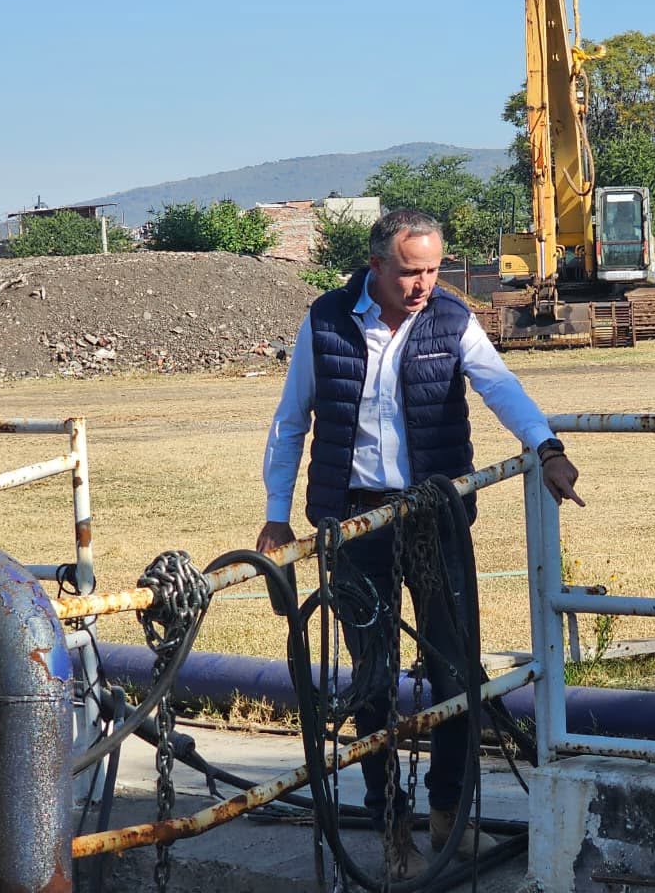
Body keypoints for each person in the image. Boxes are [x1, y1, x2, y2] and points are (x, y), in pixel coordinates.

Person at [257, 209, 584, 878]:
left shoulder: (453, 320)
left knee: (454, 672)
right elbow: (292, 422)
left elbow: (502, 388)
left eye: (432, 270)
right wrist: (275, 515)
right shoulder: (324, 323)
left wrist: (546, 448)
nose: (422, 284)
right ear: (376, 266)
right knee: (371, 677)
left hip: (436, 520)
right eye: (410, 271)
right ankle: (386, 814)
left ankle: (448, 816)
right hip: (355, 525)